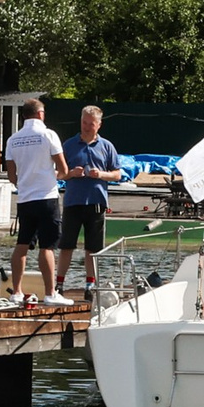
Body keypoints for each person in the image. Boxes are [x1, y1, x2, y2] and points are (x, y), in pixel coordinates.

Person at [2, 98, 70, 305]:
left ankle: (16, 292)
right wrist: (53, 176)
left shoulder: (13, 139)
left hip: (25, 199)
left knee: (22, 244)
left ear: (23, 115)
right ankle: (50, 293)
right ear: (41, 114)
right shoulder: (48, 135)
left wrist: (26, 180)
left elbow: (12, 176)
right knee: (47, 247)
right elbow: (63, 170)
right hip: (46, 197)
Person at [57, 105, 121, 294]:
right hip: (73, 202)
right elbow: (58, 174)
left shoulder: (107, 146)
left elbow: (117, 174)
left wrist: (100, 174)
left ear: (99, 125)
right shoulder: (68, 145)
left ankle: (89, 285)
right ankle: (59, 284)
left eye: (90, 124)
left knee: (92, 248)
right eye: (84, 122)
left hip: (96, 203)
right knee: (66, 245)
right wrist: (71, 173)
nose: (86, 127)